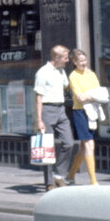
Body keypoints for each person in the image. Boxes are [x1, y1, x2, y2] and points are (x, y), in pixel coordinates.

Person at [34, 44, 75, 191]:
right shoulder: (42, 73)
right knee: (47, 147)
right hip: (47, 109)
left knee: (69, 143)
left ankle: (59, 175)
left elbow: (66, 87)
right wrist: (39, 120)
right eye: (65, 58)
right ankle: (49, 182)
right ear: (57, 57)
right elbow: (39, 97)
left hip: (61, 109)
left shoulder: (61, 71)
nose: (67, 60)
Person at [65, 50, 103, 185]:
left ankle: (70, 176)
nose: (84, 63)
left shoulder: (91, 74)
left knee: (84, 148)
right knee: (89, 145)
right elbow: (79, 97)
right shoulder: (73, 76)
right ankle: (93, 180)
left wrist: (89, 95)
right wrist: (91, 95)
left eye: (85, 60)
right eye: (80, 61)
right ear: (74, 62)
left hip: (92, 111)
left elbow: (100, 93)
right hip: (80, 112)